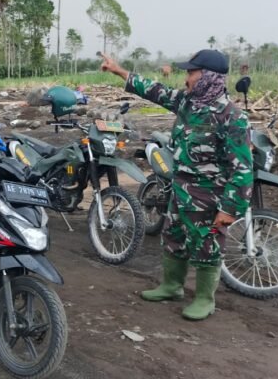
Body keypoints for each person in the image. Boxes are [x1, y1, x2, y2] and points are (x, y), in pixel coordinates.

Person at [101, 50, 253, 320]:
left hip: (209, 194)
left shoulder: (231, 116)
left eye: (191, 73)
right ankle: (172, 286)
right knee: (173, 237)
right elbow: (154, 90)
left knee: (206, 244)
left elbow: (242, 169)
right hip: (180, 186)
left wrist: (230, 208)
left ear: (208, 77)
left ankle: (205, 299)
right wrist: (118, 70)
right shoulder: (187, 102)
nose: (186, 78)